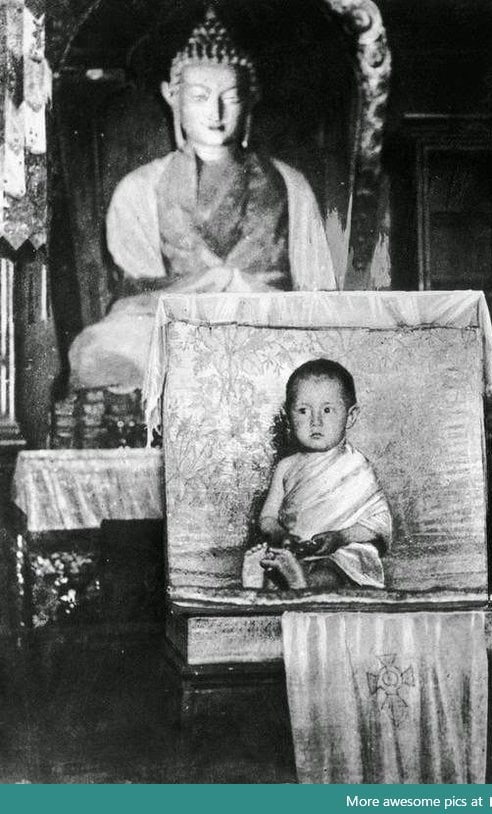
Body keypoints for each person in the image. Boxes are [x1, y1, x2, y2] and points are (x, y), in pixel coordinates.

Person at [68, 6, 336, 392]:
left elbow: (318, 293)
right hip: (172, 331)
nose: (216, 112)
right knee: (105, 346)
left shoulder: (291, 185)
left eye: (230, 97)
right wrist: (216, 284)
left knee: (319, 349)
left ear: (251, 99)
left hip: (268, 328)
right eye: (199, 96)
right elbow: (138, 296)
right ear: (171, 96)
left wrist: (243, 294)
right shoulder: (139, 188)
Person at [242, 359, 392, 591]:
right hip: (296, 550)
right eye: (303, 410)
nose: (315, 421)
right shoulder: (286, 466)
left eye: (327, 410)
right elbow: (267, 517)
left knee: (331, 573)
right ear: (289, 417)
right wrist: (281, 534)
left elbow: (379, 523)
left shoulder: (356, 465)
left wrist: (340, 537)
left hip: (342, 551)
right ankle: (261, 582)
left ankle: (302, 583)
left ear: (350, 416)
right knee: (272, 563)